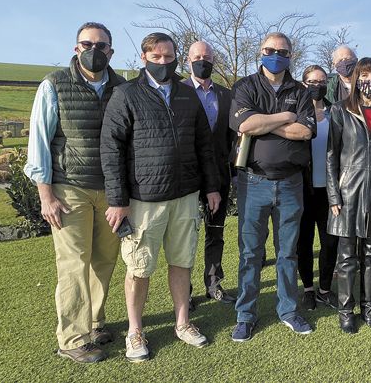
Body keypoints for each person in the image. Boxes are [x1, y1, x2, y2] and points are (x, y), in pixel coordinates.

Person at [101, 32, 221, 362]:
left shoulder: (187, 95)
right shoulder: (125, 95)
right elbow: (111, 150)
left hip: (185, 195)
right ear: (143, 58)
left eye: (169, 58)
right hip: (143, 200)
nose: (164, 63)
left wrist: (211, 186)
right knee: (139, 268)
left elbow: (204, 145)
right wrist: (117, 199)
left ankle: (183, 323)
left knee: (182, 262)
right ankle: (135, 330)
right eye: (157, 58)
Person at [24, 22, 125, 363]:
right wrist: (45, 194)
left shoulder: (122, 88)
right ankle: (72, 338)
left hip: (110, 191)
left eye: (101, 45)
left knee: (104, 260)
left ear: (111, 51)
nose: (93, 50)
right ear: (76, 48)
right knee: (73, 263)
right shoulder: (54, 85)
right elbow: (39, 140)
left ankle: (95, 322)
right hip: (69, 189)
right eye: (86, 44)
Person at [229, 32, 316, 342]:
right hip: (253, 183)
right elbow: (244, 125)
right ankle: (245, 315)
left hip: (291, 183)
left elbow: (305, 131)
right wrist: (284, 117)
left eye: (282, 51)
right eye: (270, 50)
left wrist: (264, 121)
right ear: (260, 52)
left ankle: (288, 310)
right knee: (250, 253)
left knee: (287, 253)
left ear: (290, 55)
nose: (276, 55)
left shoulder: (301, 91)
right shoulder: (245, 87)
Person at [327, 57, 371, 334]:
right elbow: (331, 156)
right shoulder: (340, 110)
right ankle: (346, 310)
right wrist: (334, 196)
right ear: (356, 79)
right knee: (347, 257)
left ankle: (370, 308)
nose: (370, 81)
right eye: (364, 75)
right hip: (347, 191)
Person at [182, 40, 237, 307]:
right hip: (187, 176)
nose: (202, 60)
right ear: (188, 59)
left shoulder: (226, 95)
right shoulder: (177, 91)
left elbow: (232, 137)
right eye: (197, 56)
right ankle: (185, 290)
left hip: (219, 175)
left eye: (207, 56)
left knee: (215, 231)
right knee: (185, 235)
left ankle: (213, 283)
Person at [297, 65, 339, 311]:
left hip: (329, 191)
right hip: (302, 189)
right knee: (304, 242)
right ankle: (308, 290)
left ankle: (325, 289)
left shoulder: (336, 112)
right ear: (304, 84)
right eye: (312, 81)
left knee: (330, 242)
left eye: (322, 81)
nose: (317, 85)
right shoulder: (295, 112)